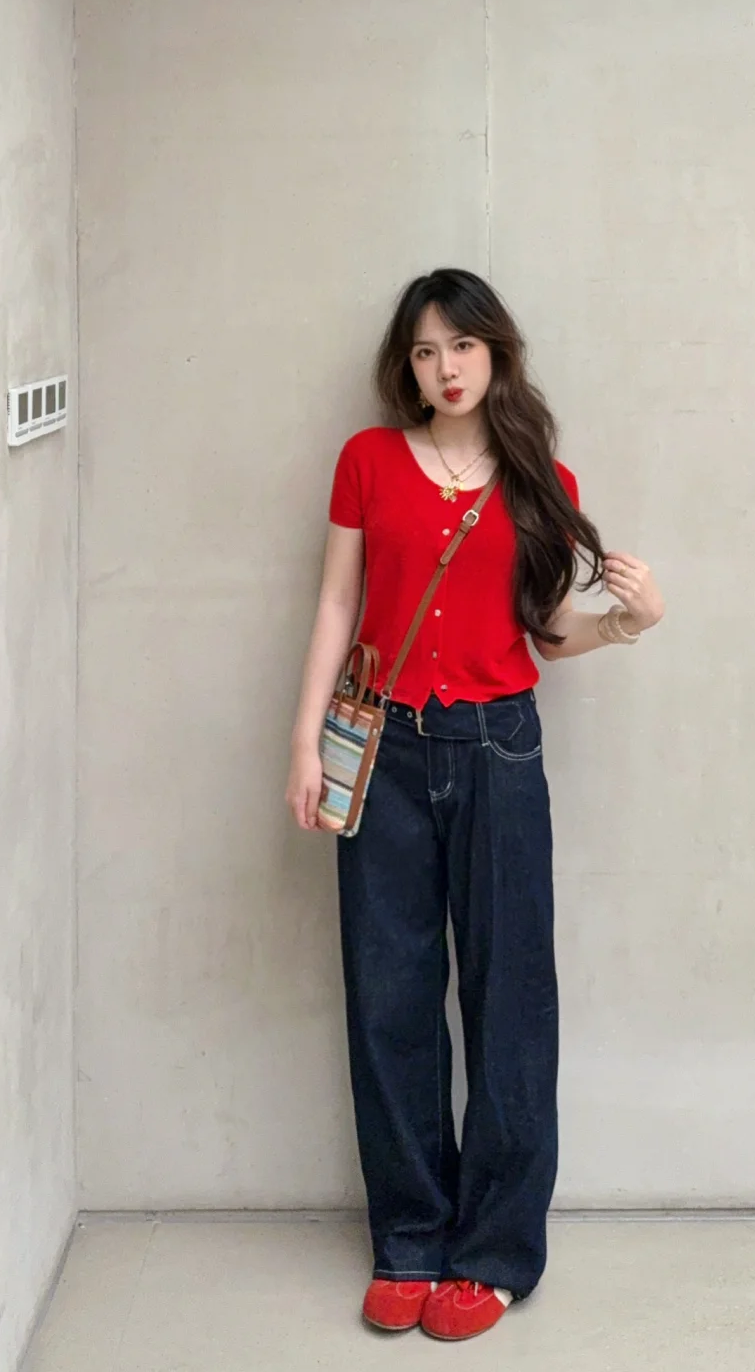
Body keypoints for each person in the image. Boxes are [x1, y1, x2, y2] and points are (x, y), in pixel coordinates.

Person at [285, 268, 664, 1341]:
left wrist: (628, 621)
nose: (444, 367)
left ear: (496, 351)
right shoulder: (367, 461)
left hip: (499, 746)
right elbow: (337, 602)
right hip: (385, 752)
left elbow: (545, 631)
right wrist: (305, 741)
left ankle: (493, 1252)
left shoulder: (542, 476)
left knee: (510, 997)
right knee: (389, 994)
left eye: (461, 345)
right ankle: (410, 1235)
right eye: (424, 351)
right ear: (405, 367)